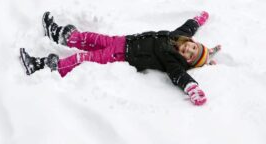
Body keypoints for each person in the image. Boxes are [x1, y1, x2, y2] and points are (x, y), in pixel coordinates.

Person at [20, 11, 221, 106]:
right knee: (88, 38)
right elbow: (190, 26)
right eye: (192, 47)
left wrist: (193, 88)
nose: (187, 49)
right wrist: (199, 19)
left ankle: (41, 65)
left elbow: (179, 76)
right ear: (193, 41)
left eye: (189, 55)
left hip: (122, 54)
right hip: (122, 41)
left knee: (84, 57)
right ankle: (57, 33)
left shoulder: (172, 61)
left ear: (185, 61)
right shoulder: (178, 35)